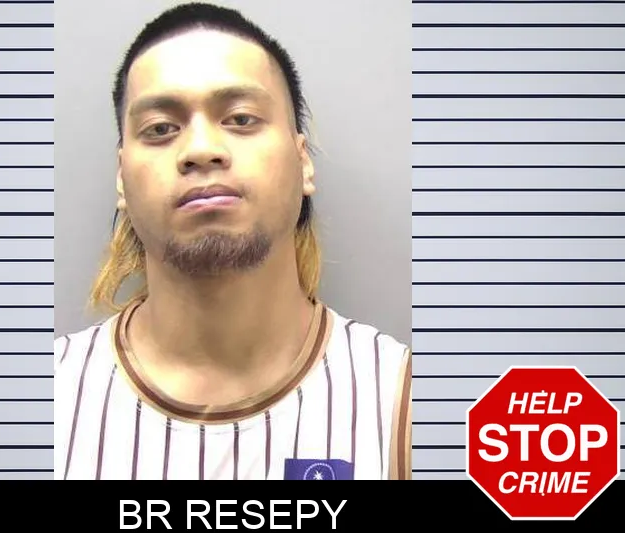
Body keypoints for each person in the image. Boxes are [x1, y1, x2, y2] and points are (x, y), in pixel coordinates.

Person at [54, 1, 411, 481]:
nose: (201, 149)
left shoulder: (405, 406)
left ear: (303, 161)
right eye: (160, 129)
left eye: (241, 119)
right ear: (122, 177)